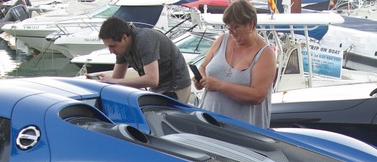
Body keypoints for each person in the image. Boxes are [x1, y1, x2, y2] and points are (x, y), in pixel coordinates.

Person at [193, 0, 276, 128]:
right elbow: (203, 67)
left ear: (251, 24)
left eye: (236, 27)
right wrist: (201, 79)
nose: (231, 32)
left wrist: (220, 86)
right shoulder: (222, 40)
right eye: (228, 27)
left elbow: (257, 95)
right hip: (209, 123)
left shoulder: (265, 54)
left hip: (241, 131)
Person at [93, 16, 191, 102]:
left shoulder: (144, 39)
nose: (111, 50)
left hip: (176, 87)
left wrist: (114, 81)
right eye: (108, 46)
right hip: (157, 88)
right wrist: (100, 79)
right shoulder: (122, 47)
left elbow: (152, 79)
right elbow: (117, 79)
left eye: (112, 46)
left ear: (124, 38)